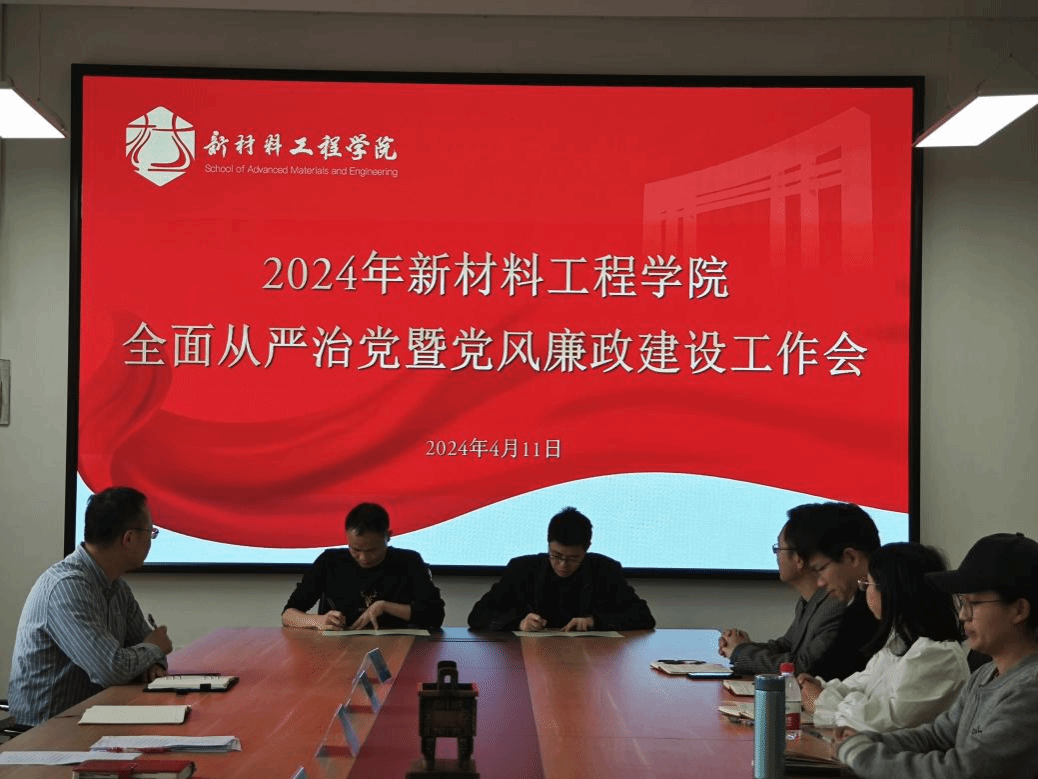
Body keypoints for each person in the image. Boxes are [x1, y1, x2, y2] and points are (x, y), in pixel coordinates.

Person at [835, 532, 1038, 779]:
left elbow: (964, 771)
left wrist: (861, 755)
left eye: (974, 603)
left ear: (1019, 610)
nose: (963, 615)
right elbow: (938, 736)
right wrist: (870, 740)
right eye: (962, 602)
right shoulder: (985, 674)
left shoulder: (1030, 688)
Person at [7, 487, 173, 726]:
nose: (151, 541)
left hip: (93, 717)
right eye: (151, 532)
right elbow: (111, 669)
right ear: (128, 538)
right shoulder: (67, 588)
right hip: (45, 731)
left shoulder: (116, 586)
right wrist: (155, 649)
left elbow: (144, 644)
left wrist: (153, 661)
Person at [798, 542, 968, 732]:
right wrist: (819, 688)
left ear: (892, 591)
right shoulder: (899, 642)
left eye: (867, 584)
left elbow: (879, 723)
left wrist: (821, 701)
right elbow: (858, 686)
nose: (865, 592)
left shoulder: (938, 656)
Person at [467, 506, 655, 632]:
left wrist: (595, 621)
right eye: (556, 556)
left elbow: (644, 617)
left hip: (589, 659)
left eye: (573, 558)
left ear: (586, 548)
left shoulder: (605, 571)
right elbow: (477, 615)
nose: (563, 565)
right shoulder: (522, 569)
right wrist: (519, 622)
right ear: (548, 544)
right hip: (530, 657)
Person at [718, 505, 846, 674]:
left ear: (799, 559)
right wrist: (740, 646)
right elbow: (787, 646)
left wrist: (740, 652)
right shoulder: (809, 600)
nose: (776, 555)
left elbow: (802, 666)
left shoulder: (835, 606)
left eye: (779, 548)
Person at [282, 502, 445, 630]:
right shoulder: (329, 561)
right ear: (347, 537)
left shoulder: (409, 562)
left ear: (388, 536)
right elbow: (288, 615)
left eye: (373, 550)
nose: (364, 558)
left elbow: (435, 616)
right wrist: (318, 621)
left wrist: (384, 607)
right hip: (339, 649)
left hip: (396, 646)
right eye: (355, 549)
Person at [800, 502, 882, 680]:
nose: (820, 583)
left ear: (851, 557)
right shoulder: (857, 605)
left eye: (821, 569)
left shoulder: (873, 611)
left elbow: (829, 675)